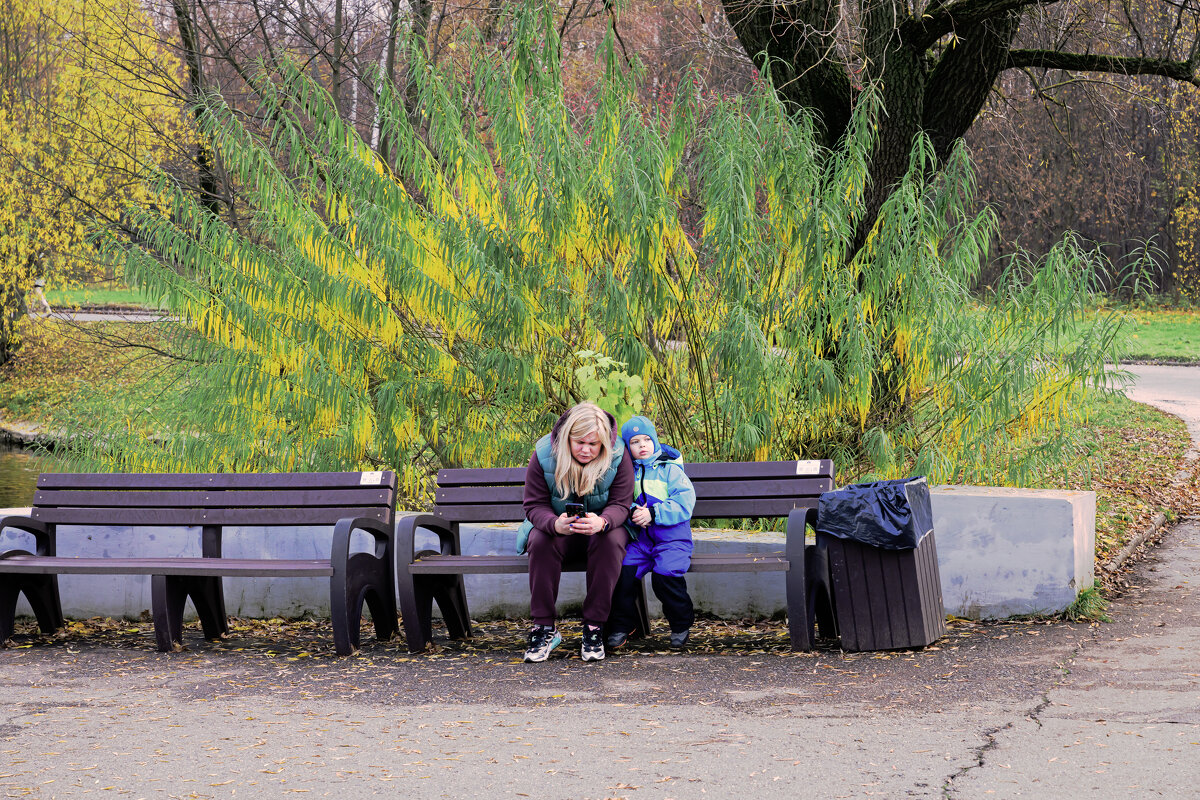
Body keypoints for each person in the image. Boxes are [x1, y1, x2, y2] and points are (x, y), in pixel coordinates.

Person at [519, 402, 634, 662]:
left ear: (604, 443)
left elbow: (621, 504)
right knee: (538, 540)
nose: (586, 450)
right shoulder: (543, 453)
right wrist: (553, 524)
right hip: (560, 531)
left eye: (594, 445)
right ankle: (544, 627)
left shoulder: (618, 454)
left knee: (613, 540)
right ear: (567, 436)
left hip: (601, 530)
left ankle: (594, 627)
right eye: (579, 442)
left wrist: (603, 521)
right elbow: (534, 505)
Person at [606, 415, 697, 649]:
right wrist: (633, 511)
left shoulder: (670, 469)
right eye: (635, 442)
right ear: (627, 447)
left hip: (672, 539)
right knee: (621, 573)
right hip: (641, 541)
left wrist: (654, 514)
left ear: (655, 441)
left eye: (647, 439)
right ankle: (621, 625)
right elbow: (619, 501)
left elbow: (685, 502)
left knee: (664, 575)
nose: (642, 445)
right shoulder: (626, 472)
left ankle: (681, 624)